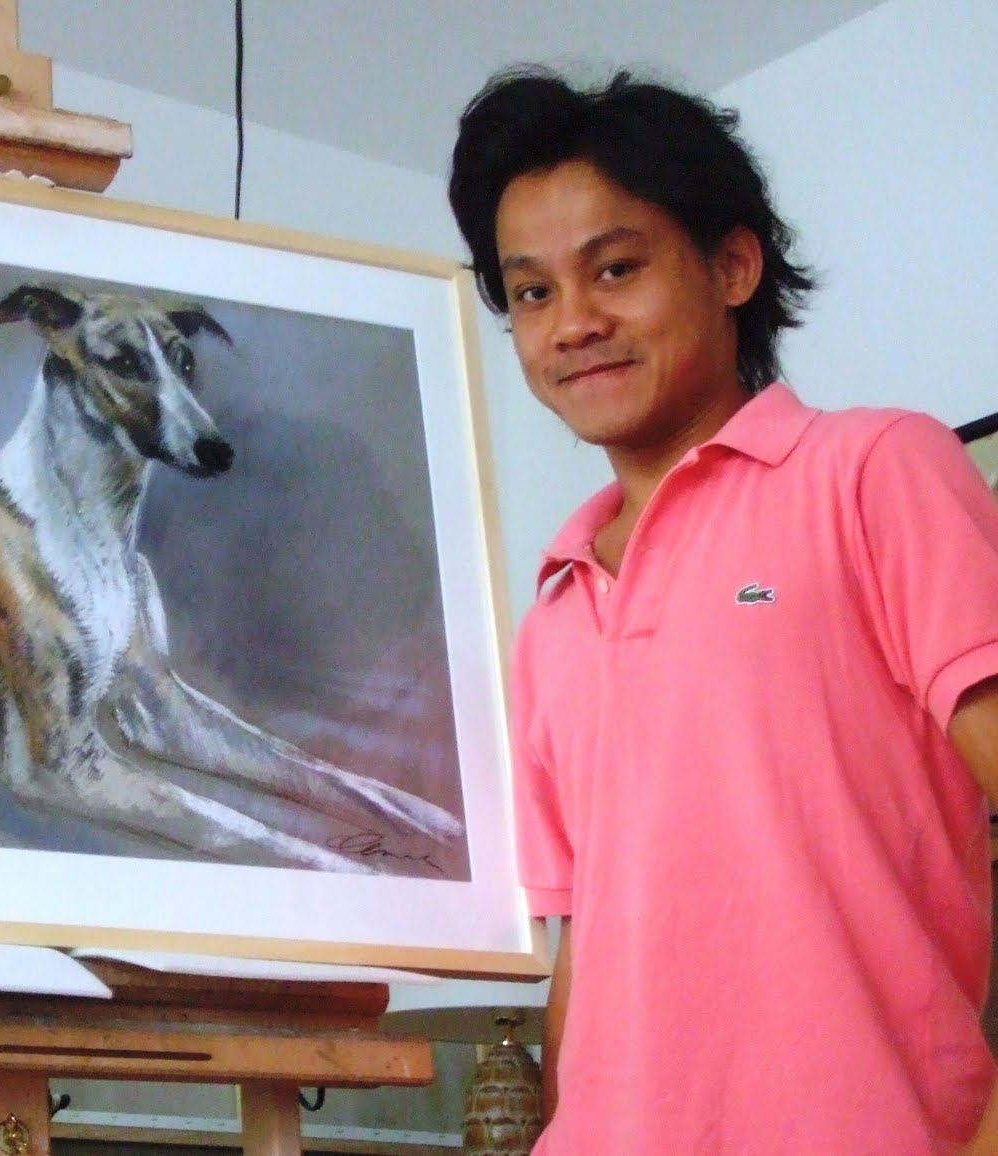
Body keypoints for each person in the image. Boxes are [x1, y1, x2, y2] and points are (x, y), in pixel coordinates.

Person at [447, 66, 998, 1155]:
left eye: (615, 269)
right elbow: (585, 954)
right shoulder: (553, 616)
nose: (574, 324)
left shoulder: (874, 471)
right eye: (532, 293)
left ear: (733, 265)